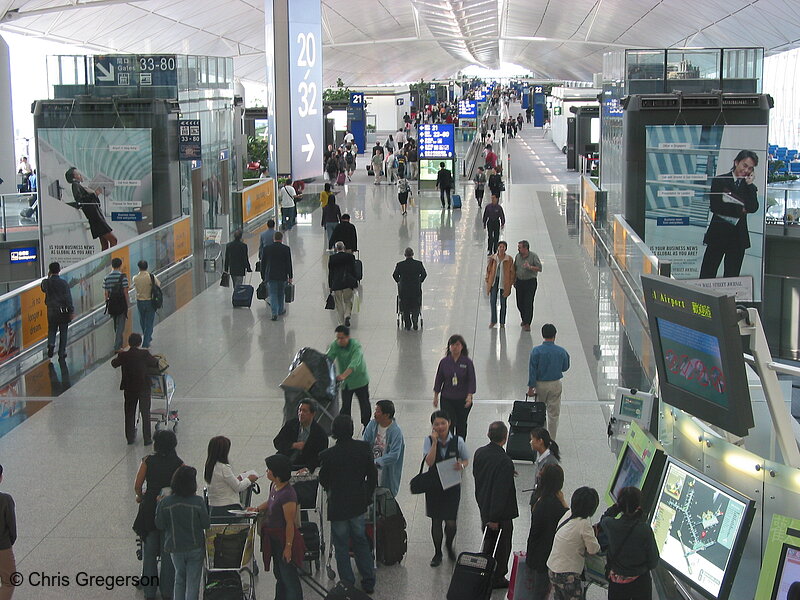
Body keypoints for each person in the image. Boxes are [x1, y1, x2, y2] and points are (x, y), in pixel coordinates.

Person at [318, 415, 377, 595]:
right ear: (351, 429)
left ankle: (347, 583)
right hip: (357, 503)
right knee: (360, 541)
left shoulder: (328, 455)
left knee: (341, 545)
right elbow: (372, 475)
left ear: (334, 431)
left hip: (338, 507)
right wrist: (367, 495)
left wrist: (331, 490)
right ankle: (368, 580)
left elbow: (323, 479)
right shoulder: (363, 448)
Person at [133, 430, 183, 600]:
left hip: (150, 509)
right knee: (168, 551)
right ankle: (168, 591)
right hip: (171, 510)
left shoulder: (148, 461)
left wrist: (140, 496)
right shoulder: (179, 464)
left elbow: (138, 485)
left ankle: (149, 591)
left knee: (149, 551)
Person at [249, 455, 305, 600]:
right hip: (274, 539)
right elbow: (270, 501)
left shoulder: (288, 495)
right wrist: (257, 509)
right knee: (279, 574)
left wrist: (288, 547)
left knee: (289, 578)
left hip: (285, 539)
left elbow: (289, 524)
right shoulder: (274, 486)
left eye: (269, 469)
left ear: (277, 474)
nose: (266, 471)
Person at [699, 150, 760, 279]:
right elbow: (716, 206)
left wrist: (749, 186)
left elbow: (753, 207)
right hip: (718, 234)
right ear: (736, 162)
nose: (747, 170)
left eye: (750, 168)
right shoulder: (720, 181)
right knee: (707, 274)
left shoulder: (750, 187)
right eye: (744, 165)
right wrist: (741, 209)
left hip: (738, 238)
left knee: (732, 278)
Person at [473, 421, 518, 589]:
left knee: (488, 542)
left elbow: (478, 476)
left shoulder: (479, 453)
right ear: (505, 438)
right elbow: (501, 492)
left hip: (484, 505)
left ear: (488, 435)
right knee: (502, 546)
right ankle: (497, 577)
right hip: (500, 515)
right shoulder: (505, 461)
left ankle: (483, 572)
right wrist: (494, 518)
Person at [154, 465, 210, 600]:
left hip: (175, 546)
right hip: (195, 546)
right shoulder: (198, 502)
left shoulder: (165, 502)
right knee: (193, 581)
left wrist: (159, 505)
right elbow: (206, 524)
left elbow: (159, 524)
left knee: (179, 577)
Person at [423, 410, 469, 567]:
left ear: (449, 423)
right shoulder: (428, 441)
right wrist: (435, 443)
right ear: (433, 426)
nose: (440, 426)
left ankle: (449, 545)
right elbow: (429, 462)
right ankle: (437, 553)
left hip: (452, 485)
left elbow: (466, 459)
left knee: (450, 522)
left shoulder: (458, 441)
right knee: (436, 520)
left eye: (443, 423)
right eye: (436, 424)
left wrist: (461, 465)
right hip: (434, 485)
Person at [600, 486, 660, 600]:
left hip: (617, 584)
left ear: (619, 504)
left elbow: (604, 518)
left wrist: (617, 507)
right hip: (640, 584)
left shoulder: (611, 525)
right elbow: (653, 561)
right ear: (638, 505)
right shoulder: (644, 530)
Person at [547, 487, 601, 600]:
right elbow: (593, 549)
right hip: (568, 575)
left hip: (553, 568)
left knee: (559, 596)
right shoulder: (584, 524)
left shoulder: (568, 514)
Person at [526, 464, 568, 600]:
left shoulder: (537, 497)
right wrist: (563, 502)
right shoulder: (554, 504)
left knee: (537, 589)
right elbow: (569, 520)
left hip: (536, 551)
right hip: (546, 555)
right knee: (540, 591)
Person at [111, 333, 159, 445]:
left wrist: (121, 354)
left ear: (129, 343)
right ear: (140, 343)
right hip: (143, 387)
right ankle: (147, 439)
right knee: (145, 412)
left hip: (129, 387)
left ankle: (130, 438)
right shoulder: (145, 354)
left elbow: (114, 364)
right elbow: (155, 363)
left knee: (129, 412)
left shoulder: (124, 355)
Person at [527, 324, 570, 440]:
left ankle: (539, 438)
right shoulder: (561, 351)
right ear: (555, 335)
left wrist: (531, 388)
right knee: (553, 414)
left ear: (542, 335)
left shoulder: (536, 351)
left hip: (540, 385)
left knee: (539, 412)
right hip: (555, 384)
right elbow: (565, 367)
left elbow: (532, 371)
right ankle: (551, 439)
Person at [433, 334, 476, 440]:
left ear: (462, 347)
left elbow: (472, 380)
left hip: (463, 399)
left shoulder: (467, 362)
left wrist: (469, 396)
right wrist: (436, 396)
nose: (455, 347)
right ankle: (449, 445)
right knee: (448, 422)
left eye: (457, 344)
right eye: (452, 345)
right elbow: (439, 379)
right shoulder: (444, 362)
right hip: (447, 398)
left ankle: (460, 445)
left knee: (461, 423)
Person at [203, 436, 259, 516]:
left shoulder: (209, 466)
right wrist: (249, 479)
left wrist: (238, 478)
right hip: (228, 507)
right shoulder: (223, 467)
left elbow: (222, 482)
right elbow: (238, 487)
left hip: (213, 507)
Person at [327, 326, 370, 428]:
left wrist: (343, 375)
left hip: (360, 380)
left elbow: (354, 363)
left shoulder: (355, 346)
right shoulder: (335, 345)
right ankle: (345, 428)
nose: (339, 340)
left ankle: (366, 426)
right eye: (338, 338)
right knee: (346, 406)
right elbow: (328, 359)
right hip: (346, 383)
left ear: (348, 337)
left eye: (342, 338)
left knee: (364, 404)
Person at [64, 167, 117, 250]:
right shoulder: (75, 185)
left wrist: (94, 194)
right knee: (113, 240)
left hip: (95, 217)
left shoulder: (80, 186)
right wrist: (94, 194)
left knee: (104, 244)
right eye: (78, 174)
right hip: (96, 218)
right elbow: (80, 200)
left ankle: (107, 262)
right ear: (74, 176)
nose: (80, 175)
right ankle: (111, 262)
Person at [362, 400, 405, 497]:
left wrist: (377, 462)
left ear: (386, 415)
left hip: (386, 472)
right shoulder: (372, 425)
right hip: (371, 469)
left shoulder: (396, 432)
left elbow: (394, 455)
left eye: (378, 411)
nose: (375, 414)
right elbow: (364, 443)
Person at [273, 399, 329, 471]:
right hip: (285, 460)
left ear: (313, 414)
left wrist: (308, 468)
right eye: (300, 410)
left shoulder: (320, 434)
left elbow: (320, 458)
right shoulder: (291, 425)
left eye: (305, 411)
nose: (301, 413)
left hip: (303, 465)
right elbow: (277, 442)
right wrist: (293, 445)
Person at [41, 262, 74, 359]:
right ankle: (61, 352)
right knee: (63, 331)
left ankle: (51, 344)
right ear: (59, 270)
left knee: (51, 329)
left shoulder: (46, 282)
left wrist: (48, 277)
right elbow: (68, 298)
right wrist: (71, 310)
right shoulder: (64, 283)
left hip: (51, 310)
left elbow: (43, 289)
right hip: (62, 311)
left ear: (50, 271)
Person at [261, 231, 293, 321]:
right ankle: (281, 310)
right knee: (281, 293)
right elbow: (289, 263)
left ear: (273, 238)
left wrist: (263, 276)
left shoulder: (267, 248)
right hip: (282, 275)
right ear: (282, 239)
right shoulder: (286, 249)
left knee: (273, 294)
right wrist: (290, 276)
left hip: (271, 275)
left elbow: (263, 264)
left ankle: (274, 313)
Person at [392, 247, 427, 330]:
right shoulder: (418, 264)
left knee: (405, 306)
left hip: (404, 290)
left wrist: (399, 282)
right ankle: (415, 320)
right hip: (415, 290)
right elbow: (424, 274)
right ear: (412, 254)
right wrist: (419, 281)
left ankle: (407, 324)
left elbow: (394, 275)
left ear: (405, 255)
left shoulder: (400, 265)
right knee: (416, 305)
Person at [514, 240, 542, 332]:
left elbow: (539, 268)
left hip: (530, 282)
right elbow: (515, 268)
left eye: (520, 247)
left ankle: (527, 323)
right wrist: (514, 280)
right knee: (519, 303)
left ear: (526, 248)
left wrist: (530, 267)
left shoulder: (533, 256)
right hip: (519, 282)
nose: (518, 249)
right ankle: (524, 318)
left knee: (528, 302)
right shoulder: (518, 256)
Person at [328, 242, 358, 326]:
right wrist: (355, 281)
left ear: (336, 248)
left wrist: (330, 285)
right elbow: (353, 270)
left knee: (339, 303)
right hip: (347, 282)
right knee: (348, 301)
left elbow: (330, 273)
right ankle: (347, 315)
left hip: (337, 283)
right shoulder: (350, 257)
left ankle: (341, 322)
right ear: (344, 248)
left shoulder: (332, 258)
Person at [485, 240, 515, 328]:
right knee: (492, 300)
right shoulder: (493, 258)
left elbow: (512, 272)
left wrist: (511, 282)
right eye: (500, 246)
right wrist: (487, 279)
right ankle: (493, 320)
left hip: (504, 282)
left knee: (503, 302)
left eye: (503, 247)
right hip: (494, 281)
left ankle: (502, 322)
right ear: (498, 248)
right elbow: (488, 269)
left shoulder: (509, 259)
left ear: (506, 248)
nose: (501, 248)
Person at [132, 260, 160, 349]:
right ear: (147, 267)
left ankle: (147, 336)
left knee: (142, 320)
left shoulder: (135, 278)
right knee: (149, 321)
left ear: (139, 267)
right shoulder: (151, 277)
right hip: (150, 301)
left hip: (140, 301)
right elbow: (158, 285)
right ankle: (146, 341)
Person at [103, 256, 129, 351]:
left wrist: (107, 302)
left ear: (112, 266)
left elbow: (106, 293)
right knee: (120, 326)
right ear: (120, 265)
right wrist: (128, 303)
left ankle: (120, 344)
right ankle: (117, 346)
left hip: (112, 304)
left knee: (115, 325)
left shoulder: (107, 278)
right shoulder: (123, 277)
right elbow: (125, 291)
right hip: (121, 303)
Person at [529, 428, 561, 503]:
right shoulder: (541, 456)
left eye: (532, 439)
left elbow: (550, 486)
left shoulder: (550, 462)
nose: (530, 442)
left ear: (540, 441)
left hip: (544, 500)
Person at [0, 464, 16, 600]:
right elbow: (12, 528)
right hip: (2, 547)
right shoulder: (5, 499)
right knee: (8, 581)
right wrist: (9, 542)